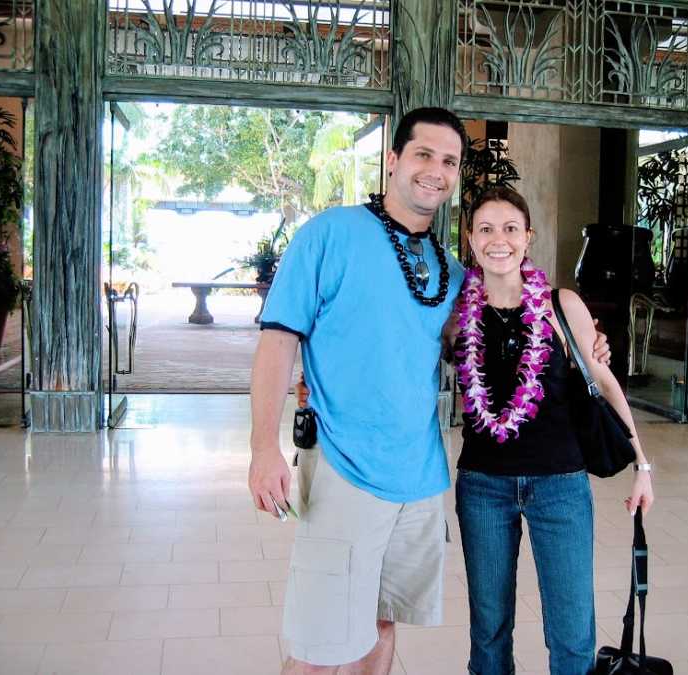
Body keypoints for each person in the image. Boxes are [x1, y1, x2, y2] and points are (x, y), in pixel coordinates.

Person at [248, 107, 609, 675]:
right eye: (423, 154)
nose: (435, 171)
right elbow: (277, 342)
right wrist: (264, 448)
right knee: (319, 646)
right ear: (393, 160)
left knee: (383, 623)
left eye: (449, 161)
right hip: (345, 469)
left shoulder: (447, 270)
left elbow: (505, 316)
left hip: (419, 479)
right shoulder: (330, 234)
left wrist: (584, 339)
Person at [448, 186, 655, 675]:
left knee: (571, 630)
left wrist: (642, 464)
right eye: (486, 229)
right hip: (483, 487)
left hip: (560, 485)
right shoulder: (456, 314)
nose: (499, 240)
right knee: (489, 629)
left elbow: (604, 382)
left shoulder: (561, 305)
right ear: (471, 241)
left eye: (511, 228)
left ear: (527, 237)